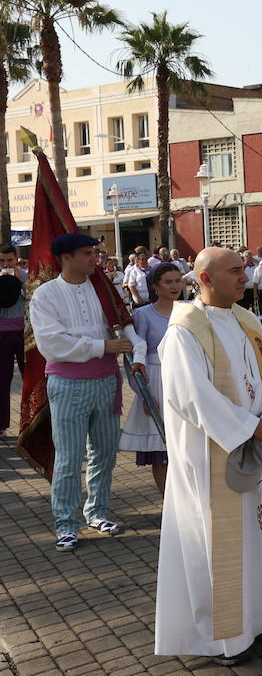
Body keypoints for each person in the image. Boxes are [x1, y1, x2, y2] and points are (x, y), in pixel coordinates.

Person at [155, 247, 262, 666]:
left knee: (259, 534)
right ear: (205, 279)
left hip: (254, 448)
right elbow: (189, 395)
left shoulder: (247, 319)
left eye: (244, 268)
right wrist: (252, 426)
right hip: (209, 455)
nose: (245, 276)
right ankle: (225, 637)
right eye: (235, 271)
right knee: (217, 542)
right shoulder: (184, 329)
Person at [29, 233, 147, 551]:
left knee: (105, 453)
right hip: (67, 385)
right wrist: (102, 346)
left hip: (107, 382)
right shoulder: (46, 295)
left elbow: (127, 327)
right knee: (69, 458)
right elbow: (51, 344)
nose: (94, 258)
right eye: (86, 253)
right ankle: (66, 524)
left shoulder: (103, 289)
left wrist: (137, 352)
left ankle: (96, 512)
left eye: (94, 252)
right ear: (65, 257)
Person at [119, 262, 183, 495]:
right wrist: (144, 394)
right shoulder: (143, 314)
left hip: (184, 381)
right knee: (161, 450)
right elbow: (135, 357)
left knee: (186, 446)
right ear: (155, 286)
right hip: (156, 381)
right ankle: (169, 502)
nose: (175, 286)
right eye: (168, 281)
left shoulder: (188, 311)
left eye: (178, 280)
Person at [0, 245, 27, 439]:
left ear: (16, 260)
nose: (6, 264)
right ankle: (1, 424)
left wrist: (21, 281)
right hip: (2, 335)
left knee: (30, 377)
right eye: (2, 261)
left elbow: (36, 297)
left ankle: (33, 421)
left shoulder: (25, 276)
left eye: (10, 260)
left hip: (25, 334)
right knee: (2, 380)